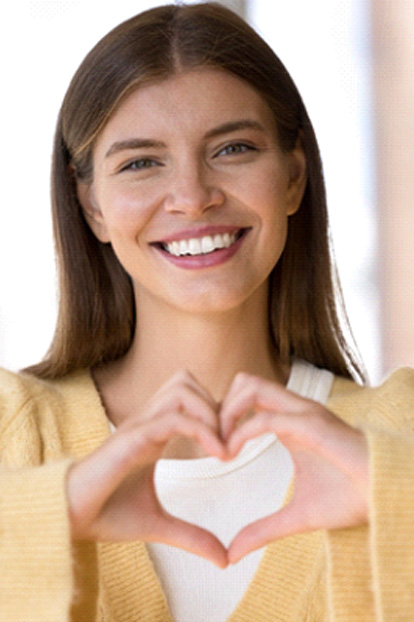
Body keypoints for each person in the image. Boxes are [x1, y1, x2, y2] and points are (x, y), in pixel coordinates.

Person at [1, 3, 414, 621]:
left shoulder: (398, 438)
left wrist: (403, 503)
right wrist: (32, 531)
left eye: (234, 148)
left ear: (295, 177)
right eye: (141, 162)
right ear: (91, 206)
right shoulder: (14, 435)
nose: (193, 198)